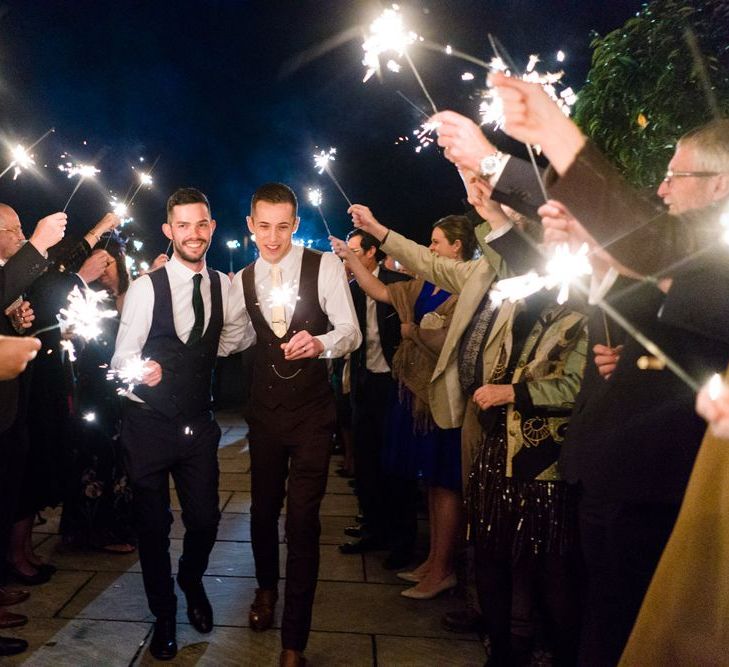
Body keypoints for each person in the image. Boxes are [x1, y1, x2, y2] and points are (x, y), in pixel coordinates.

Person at [439, 74, 729, 664]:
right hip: (610, 475)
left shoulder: (713, 252)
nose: (662, 186)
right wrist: (506, 216)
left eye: (677, 174)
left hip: (659, 492)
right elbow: (575, 284)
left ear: (721, 184)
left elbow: (650, 245)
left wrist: (537, 140)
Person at [350, 204, 587, 665]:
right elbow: (428, 262)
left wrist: (513, 390)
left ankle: (527, 635)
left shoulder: (567, 299)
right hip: (478, 417)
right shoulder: (485, 273)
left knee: (540, 558)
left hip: (534, 445)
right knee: (490, 542)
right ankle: (497, 639)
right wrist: (379, 229)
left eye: (511, 231)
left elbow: (571, 378)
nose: (499, 241)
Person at [224, 182, 360, 667]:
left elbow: (351, 331)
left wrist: (320, 343)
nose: (273, 236)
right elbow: (231, 339)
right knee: (263, 512)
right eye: (264, 226)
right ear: (250, 225)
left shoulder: (322, 267)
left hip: (310, 416)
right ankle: (265, 589)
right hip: (263, 414)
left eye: (283, 226)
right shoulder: (240, 279)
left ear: (295, 224)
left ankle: (294, 642)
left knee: (302, 522)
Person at [112, 187, 247, 661]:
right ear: (169, 231)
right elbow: (120, 359)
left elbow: (232, 336)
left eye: (202, 223)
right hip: (147, 425)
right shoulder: (148, 287)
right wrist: (141, 371)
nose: (194, 233)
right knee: (151, 526)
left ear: (212, 227)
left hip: (196, 425)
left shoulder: (223, 285)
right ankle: (164, 611)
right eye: (183, 225)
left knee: (206, 519)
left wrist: (201, 359)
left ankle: (191, 579)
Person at [332, 215, 477, 599]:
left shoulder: (469, 288)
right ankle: (432, 560)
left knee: (445, 483)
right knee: (429, 483)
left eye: (436, 241)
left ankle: (444, 567)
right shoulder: (425, 285)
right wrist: (347, 255)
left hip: (442, 399)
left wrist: (416, 334)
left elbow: (454, 345)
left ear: (456, 247)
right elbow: (379, 290)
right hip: (413, 394)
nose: (429, 249)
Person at [0, 204, 66, 657]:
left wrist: (13, 321)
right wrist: (40, 243)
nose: (22, 235)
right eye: (15, 229)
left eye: (25, 229)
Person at [337, 228, 415, 570]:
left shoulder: (397, 283)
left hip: (394, 385)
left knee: (396, 465)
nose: (348, 257)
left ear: (372, 253)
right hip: (364, 383)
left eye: (354, 250)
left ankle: (403, 540)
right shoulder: (349, 290)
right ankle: (373, 527)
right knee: (366, 463)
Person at [61, 233, 135, 553]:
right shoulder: (87, 301)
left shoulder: (136, 295)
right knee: (93, 456)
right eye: (98, 264)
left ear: (120, 262)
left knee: (124, 460)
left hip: (127, 392)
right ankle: (87, 530)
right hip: (94, 391)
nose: (104, 271)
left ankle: (118, 528)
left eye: (109, 263)